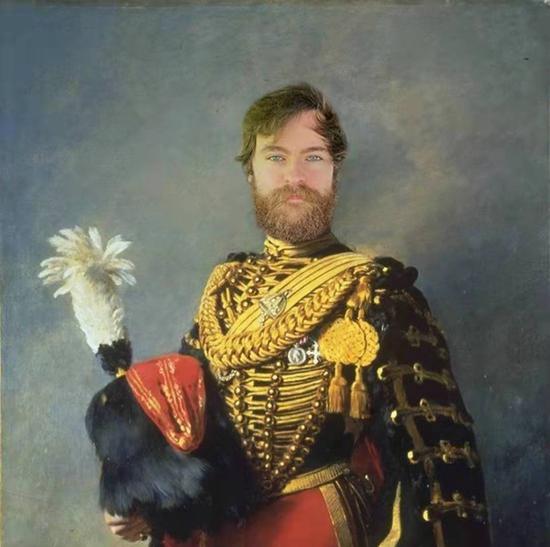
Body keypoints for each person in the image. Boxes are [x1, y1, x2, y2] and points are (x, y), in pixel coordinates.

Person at [104, 83, 491, 546]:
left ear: (334, 172)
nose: (295, 177)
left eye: (313, 157)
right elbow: (191, 445)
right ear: (250, 172)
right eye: (276, 157)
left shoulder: (377, 296)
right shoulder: (223, 299)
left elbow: (440, 479)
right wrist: (147, 506)